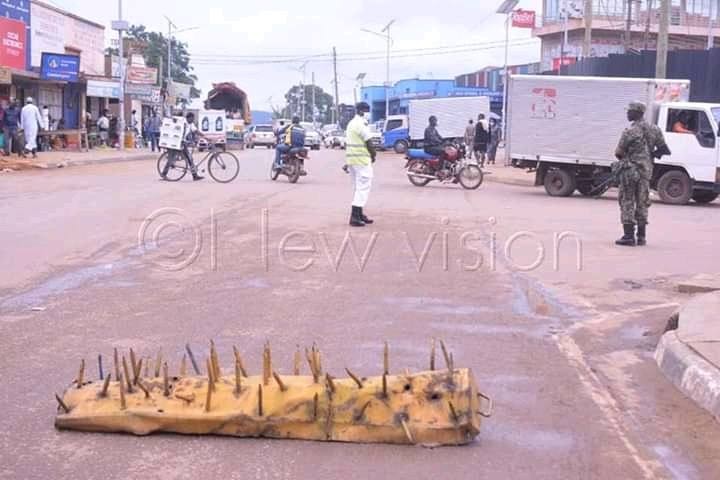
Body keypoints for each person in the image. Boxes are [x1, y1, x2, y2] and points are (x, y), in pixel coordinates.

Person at [614, 101, 670, 247]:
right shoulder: (654, 129)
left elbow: (618, 153)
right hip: (646, 172)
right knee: (642, 202)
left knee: (627, 201)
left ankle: (628, 236)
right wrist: (650, 155)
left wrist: (628, 158)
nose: (627, 113)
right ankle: (641, 237)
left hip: (630, 172)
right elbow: (665, 150)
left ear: (636, 113)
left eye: (629, 111)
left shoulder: (629, 131)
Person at [345, 102, 377, 227]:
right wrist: (373, 155)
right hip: (362, 160)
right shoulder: (361, 123)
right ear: (361, 111)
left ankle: (359, 214)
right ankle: (354, 217)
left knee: (358, 188)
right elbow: (369, 142)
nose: (368, 113)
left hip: (352, 160)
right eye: (367, 110)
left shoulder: (351, 123)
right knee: (363, 187)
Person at [161, 112, 204, 181]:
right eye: (192, 119)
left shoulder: (191, 124)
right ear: (188, 118)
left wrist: (204, 136)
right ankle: (164, 174)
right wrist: (173, 120)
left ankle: (195, 175)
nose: (193, 120)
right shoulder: (182, 120)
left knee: (189, 158)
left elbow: (196, 131)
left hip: (182, 142)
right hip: (175, 142)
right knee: (171, 158)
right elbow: (172, 119)